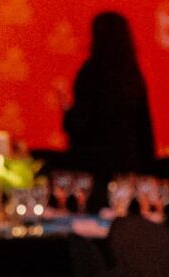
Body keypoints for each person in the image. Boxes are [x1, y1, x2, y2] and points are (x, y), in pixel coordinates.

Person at [61, 11, 157, 182]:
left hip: (92, 164)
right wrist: (147, 167)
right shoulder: (132, 75)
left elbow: (80, 124)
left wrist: (67, 110)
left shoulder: (90, 72)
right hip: (128, 163)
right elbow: (144, 126)